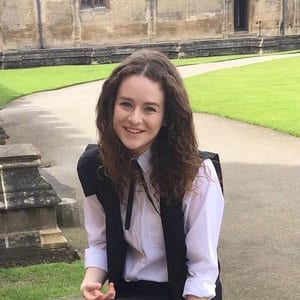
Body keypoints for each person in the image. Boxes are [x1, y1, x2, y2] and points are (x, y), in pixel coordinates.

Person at [77, 49, 224, 300]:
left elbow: (202, 270)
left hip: (181, 293)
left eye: (150, 109)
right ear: (111, 106)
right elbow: (100, 242)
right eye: (126, 104)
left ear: (166, 116)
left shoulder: (197, 174)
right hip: (124, 291)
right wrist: (91, 280)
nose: (135, 119)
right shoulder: (95, 168)